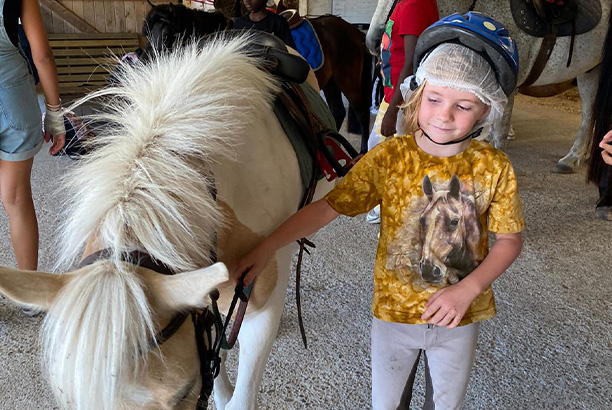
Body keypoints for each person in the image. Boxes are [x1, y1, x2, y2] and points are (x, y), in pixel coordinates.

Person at [233, 12, 525, 409]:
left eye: (465, 105)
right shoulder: (389, 157)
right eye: (435, 99)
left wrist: (468, 288)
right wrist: (265, 247)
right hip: (393, 315)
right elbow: (326, 209)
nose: (444, 114)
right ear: (418, 95)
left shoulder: (495, 167)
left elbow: (509, 239)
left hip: (461, 313)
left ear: (487, 111)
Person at [0, 0, 65, 274]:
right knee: (17, 199)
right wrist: (54, 114)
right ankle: (30, 291)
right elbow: (42, 57)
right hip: (15, 98)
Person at [366, 0, 438, 224]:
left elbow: (410, 63)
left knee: (392, 158)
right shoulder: (403, 4)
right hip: (395, 95)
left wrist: (392, 110)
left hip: (402, 100)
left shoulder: (414, 5)